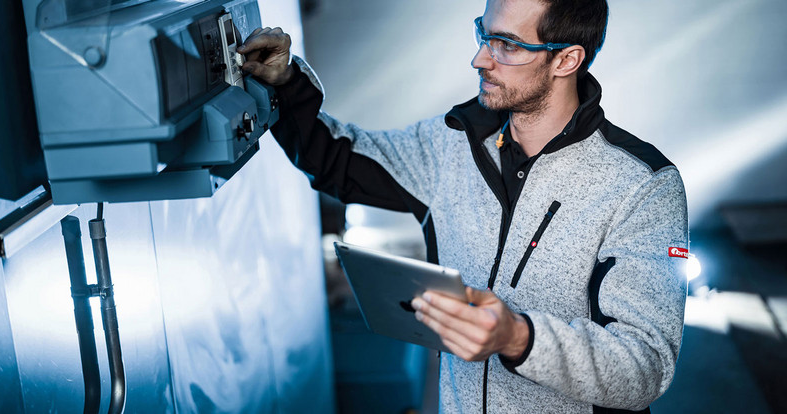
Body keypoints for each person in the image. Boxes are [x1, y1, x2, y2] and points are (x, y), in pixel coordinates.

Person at [238, 0, 688, 412]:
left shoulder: (643, 187)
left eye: (507, 45)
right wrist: (288, 83)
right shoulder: (454, 142)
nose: (480, 59)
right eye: (484, 34)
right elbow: (337, 161)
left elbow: (643, 367)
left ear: (567, 59)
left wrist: (518, 338)